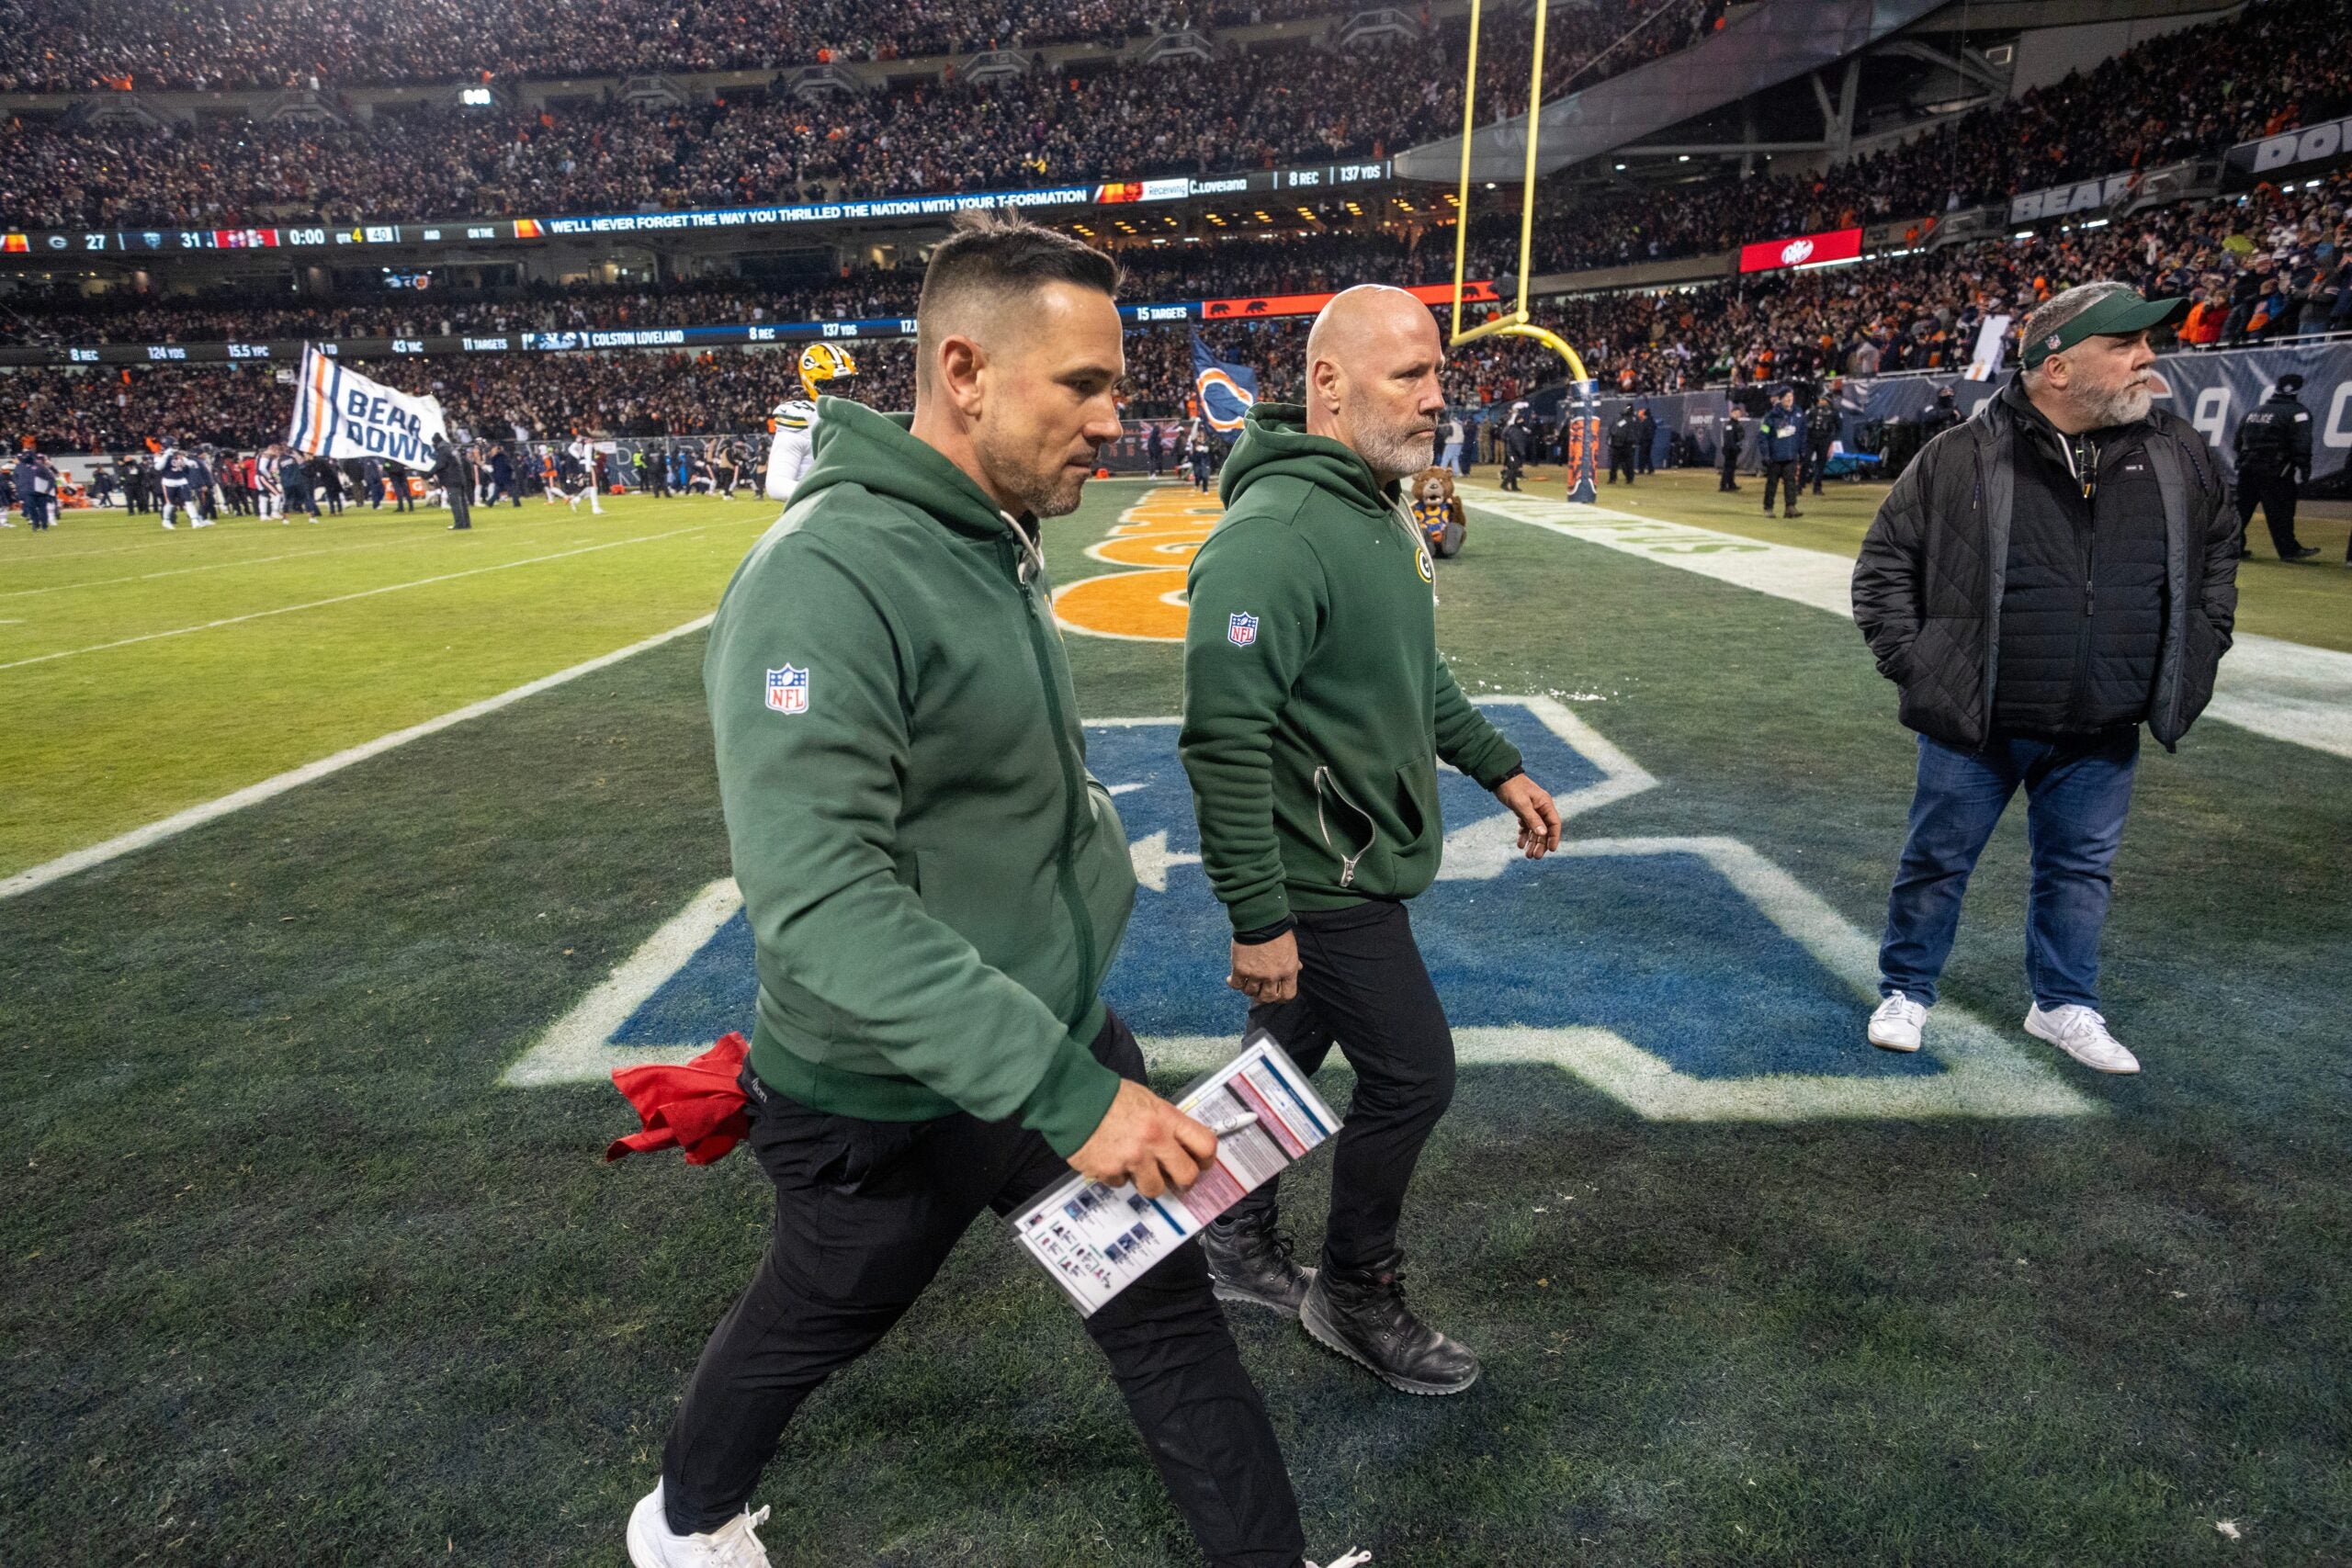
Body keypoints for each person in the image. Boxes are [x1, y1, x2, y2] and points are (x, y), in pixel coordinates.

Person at [632, 212, 1329, 1568]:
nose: (1116, 419)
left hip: (1038, 1027)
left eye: (1116, 385)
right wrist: (1072, 1096)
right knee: (818, 1312)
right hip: (881, 1087)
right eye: (1084, 384)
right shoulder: (824, 576)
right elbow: (822, 902)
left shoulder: (985, 528)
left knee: (1165, 1315)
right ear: (964, 372)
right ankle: (683, 1518)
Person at [1180, 285, 1563, 1398]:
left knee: (1279, 1062)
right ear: (1329, 386)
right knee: (1412, 1075)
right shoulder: (1274, 537)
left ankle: (1231, 1241)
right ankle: (1354, 1291)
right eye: (1409, 375)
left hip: (1346, 858)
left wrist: (1499, 763)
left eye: (1436, 373)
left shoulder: (1374, 503)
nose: (1437, 397)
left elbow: (1409, 675)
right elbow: (1221, 741)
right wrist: (1259, 917)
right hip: (1319, 879)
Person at [1852, 283, 2237, 1077]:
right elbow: (1885, 566)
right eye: (2123, 345)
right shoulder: (1961, 451)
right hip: (1980, 717)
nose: (2147, 358)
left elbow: (2215, 563)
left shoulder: (2178, 452)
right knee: (1937, 861)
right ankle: (1908, 988)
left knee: (2080, 870)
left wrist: (2197, 651)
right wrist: (1926, 670)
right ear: (2057, 368)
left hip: (2104, 719)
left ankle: (2063, 1002)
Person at [763, 342, 859, 518]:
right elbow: (776, 485)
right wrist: (832, 494)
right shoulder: (802, 419)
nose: (841, 390)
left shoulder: (852, 414)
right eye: (832, 385)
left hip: (849, 516)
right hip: (811, 517)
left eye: (845, 383)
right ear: (812, 383)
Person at [2231, 372, 2317, 560]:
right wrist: (2304, 467)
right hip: (2276, 470)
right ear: (2297, 390)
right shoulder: (2298, 413)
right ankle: (2289, 550)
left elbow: (2238, 441)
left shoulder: (2254, 412)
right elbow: (2302, 443)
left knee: (2240, 510)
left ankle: (2232, 547)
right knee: (2281, 511)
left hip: (2247, 467)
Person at [1758, 387, 1804, 518]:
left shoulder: (1798, 413)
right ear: (1781, 399)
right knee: (1772, 484)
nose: (1789, 399)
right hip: (1775, 456)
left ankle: (1790, 507)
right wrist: (1766, 454)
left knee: (1790, 483)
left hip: (1791, 455)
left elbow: (1802, 433)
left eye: (1791, 397)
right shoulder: (1771, 416)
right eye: (1786, 397)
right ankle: (1768, 507)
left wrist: (1802, 451)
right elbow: (1762, 436)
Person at [1804, 388, 1840, 495]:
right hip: (1811, 439)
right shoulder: (1812, 411)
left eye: (1824, 400)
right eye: (1820, 400)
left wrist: (1833, 441)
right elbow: (1805, 425)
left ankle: (1817, 487)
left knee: (1820, 464)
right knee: (1806, 461)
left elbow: (1839, 428)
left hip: (1824, 440)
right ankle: (1800, 485)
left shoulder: (1833, 413)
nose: (1821, 402)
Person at [435, 436, 472, 530]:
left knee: (455, 502)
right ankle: (466, 523)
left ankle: (459, 523)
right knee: (462, 502)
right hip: (460, 478)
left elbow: (440, 465)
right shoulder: (452, 449)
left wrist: (428, 473)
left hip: (451, 480)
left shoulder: (443, 451)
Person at [279, 446, 321, 523]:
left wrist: (280, 479)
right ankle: (312, 517)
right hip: (298, 482)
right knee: (306, 499)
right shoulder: (294, 458)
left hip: (287, 483)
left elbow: (275, 472)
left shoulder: (279, 461)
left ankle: (285, 519)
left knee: (287, 500)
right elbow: (303, 466)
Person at [1499, 401, 1531, 491]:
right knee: (1514, 468)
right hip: (1513, 452)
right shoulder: (1515, 430)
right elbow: (1517, 442)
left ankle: (1514, 486)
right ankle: (1504, 484)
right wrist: (1522, 452)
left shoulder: (1516, 429)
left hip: (1514, 451)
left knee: (1514, 467)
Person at [1606, 406, 1639, 485]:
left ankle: (1612, 479)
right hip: (1628, 445)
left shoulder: (1621, 420)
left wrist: (1613, 442)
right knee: (1628, 463)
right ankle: (1629, 478)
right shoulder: (1634, 420)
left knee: (1615, 464)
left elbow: (1614, 431)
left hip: (1619, 445)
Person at [1717, 400, 1745, 491]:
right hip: (1730, 450)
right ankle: (1724, 485)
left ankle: (1731, 484)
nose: (1737, 415)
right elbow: (1729, 439)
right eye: (1735, 413)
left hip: (1733, 449)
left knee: (1731, 468)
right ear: (1731, 414)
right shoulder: (1730, 425)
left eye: (1739, 413)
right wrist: (1734, 448)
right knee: (1728, 468)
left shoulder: (1736, 424)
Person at [1634, 402, 1657, 474]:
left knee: (1642, 456)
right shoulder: (1651, 421)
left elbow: (1642, 433)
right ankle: (1651, 469)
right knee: (1647, 456)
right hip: (1649, 441)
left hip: (1645, 441)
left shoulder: (1645, 422)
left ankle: (1641, 470)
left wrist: (1639, 441)